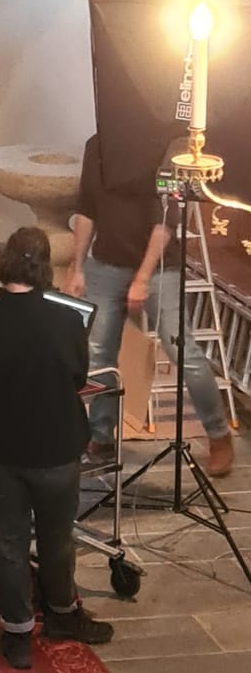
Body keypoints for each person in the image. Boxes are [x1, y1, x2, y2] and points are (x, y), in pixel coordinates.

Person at [0, 228, 113, 671]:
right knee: (56, 537)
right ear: (44, 267)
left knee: (9, 541)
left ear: (4, 261)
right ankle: (63, 615)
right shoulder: (66, 321)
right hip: (55, 447)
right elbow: (76, 377)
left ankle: (16, 633)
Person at [65, 134, 233, 476]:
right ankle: (101, 437)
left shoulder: (168, 146)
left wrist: (142, 278)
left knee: (181, 349)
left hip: (159, 268)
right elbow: (86, 208)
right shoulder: (98, 145)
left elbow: (166, 222)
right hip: (106, 263)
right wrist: (76, 265)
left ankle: (218, 434)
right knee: (98, 355)